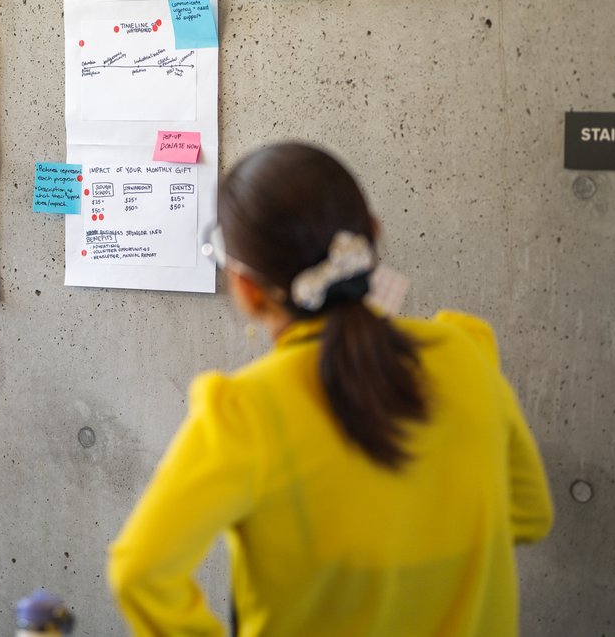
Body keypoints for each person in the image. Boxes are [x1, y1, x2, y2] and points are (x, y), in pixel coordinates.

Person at [107, 142, 553, 636]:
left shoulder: (246, 411)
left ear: (247, 287)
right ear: (371, 238)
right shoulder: (465, 352)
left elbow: (140, 573)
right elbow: (531, 516)